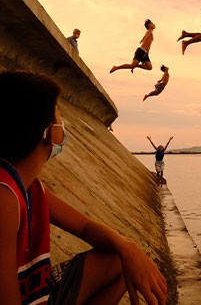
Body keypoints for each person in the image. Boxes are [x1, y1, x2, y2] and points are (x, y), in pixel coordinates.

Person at [0, 71, 167, 305]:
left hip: (38, 292)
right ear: (49, 132)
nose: (63, 125)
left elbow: (85, 227)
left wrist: (129, 248)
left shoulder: (31, 188)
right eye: (59, 117)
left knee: (121, 258)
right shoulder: (4, 197)